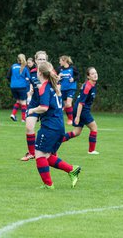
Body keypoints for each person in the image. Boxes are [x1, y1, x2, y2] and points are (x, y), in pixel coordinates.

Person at [28, 61, 81, 189]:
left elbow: (44, 107)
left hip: (50, 127)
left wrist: (32, 110)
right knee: (47, 156)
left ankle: (48, 185)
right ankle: (71, 170)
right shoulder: (54, 85)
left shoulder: (44, 87)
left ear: (39, 73)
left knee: (39, 155)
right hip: (58, 126)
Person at [62, 67, 99, 154]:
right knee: (94, 128)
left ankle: (57, 141)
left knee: (76, 132)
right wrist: (78, 117)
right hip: (82, 110)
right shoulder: (87, 86)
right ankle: (91, 151)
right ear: (88, 76)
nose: (95, 74)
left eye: (96, 72)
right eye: (92, 73)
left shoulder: (92, 84)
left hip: (82, 110)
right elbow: (81, 103)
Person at [20, 51, 48, 161]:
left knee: (47, 130)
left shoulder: (50, 72)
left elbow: (57, 88)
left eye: (43, 59)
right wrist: (31, 90)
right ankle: (32, 153)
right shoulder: (32, 72)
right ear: (35, 61)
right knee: (29, 127)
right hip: (35, 103)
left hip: (47, 103)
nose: (41, 61)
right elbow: (32, 84)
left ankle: (49, 153)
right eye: (39, 59)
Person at [56, 55, 80, 125]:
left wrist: (73, 79)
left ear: (64, 61)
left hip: (71, 88)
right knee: (66, 105)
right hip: (63, 89)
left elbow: (78, 76)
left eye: (60, 60)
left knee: (69, 103)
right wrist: (58, 77)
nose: (59, 62)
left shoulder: (72, 68)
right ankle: (71, 117)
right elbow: (56, 78)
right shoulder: (59, 69)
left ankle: (70, 119)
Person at [7, 54, 30, 122]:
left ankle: (13, 114)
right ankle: (23, 119)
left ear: (17, 59)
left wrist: (13, 81)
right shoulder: (25, 67)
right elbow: (28, 78)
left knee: (18, 101)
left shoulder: (13, 66)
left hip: (13, 86)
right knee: (23, 102)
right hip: (22, 86)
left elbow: (8, 76)